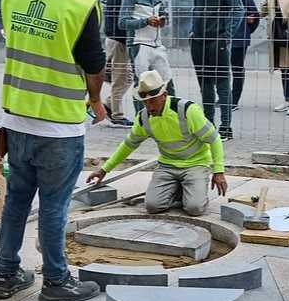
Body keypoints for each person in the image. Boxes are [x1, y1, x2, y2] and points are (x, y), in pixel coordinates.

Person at [0, 0, 106, 301]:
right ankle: (56, 280)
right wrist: (96, 99)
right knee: (54, 207)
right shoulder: (81, 4)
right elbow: (94, 63)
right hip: (59, 126)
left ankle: (7, 275)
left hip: (16, 120)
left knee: (16, 202)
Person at [87, 70, 227, 216]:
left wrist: (218, 171)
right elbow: (128, 145)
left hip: (196, 164)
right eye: (145, 102)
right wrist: (104, 169)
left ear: (164, 95)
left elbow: (214, 139)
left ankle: (191, 192)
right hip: (167, 166)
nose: (149, 107)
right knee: (152, 206)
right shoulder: (144, 118)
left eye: (153, 100)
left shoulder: (187, 110)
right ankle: (179, 190)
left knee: (194, 208)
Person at [191, 0, 244, 140]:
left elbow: (238, 9)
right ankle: (209, 126)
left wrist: (226, 35)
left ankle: (226, 128)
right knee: (205, 85)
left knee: (222, 84)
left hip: (217, 41)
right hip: (199, 42)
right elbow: (196, 10)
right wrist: (192, 31)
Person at [119, 0, 172, 106]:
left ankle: (168, 114)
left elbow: (164, 14)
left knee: (167, 82)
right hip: (138, 45)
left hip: (157, 45)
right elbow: (122, 23)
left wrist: (163, 20)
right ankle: (141, 117)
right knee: (142, 86)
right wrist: (145, 21)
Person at [103, 0, 140, 127]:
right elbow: (124, 21)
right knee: (120, 79)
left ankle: (109, 104)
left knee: (127, 77)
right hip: (119, 41)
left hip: (115, 40)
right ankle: (117, 115)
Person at [219, 0, 260, 110]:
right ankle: (224, 97)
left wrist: (245, 30)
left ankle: (234, 100)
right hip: (221, 38)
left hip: (238, 40)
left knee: (237, 69)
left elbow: (255, 18)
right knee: (220, 69)